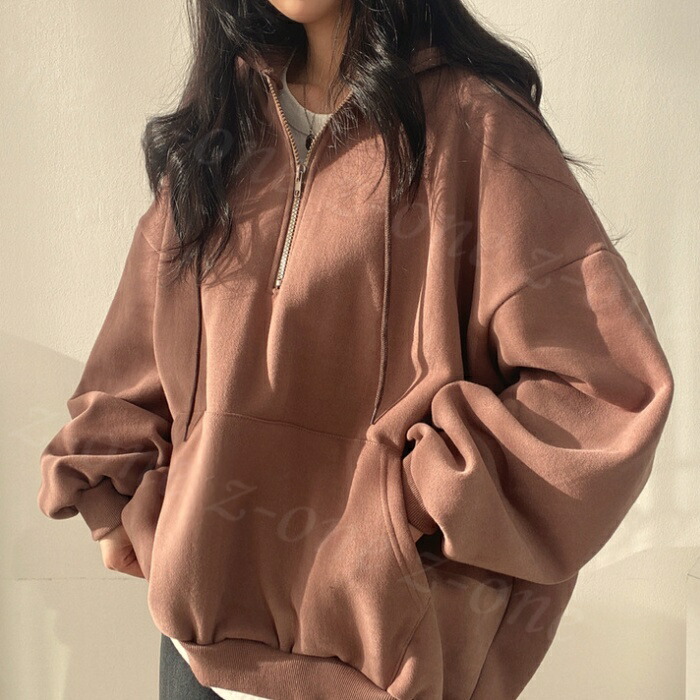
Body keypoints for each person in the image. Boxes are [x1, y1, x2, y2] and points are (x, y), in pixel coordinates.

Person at [36, 0, 675, 699]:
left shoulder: (476, 126)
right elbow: (134, 365)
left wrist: (399, 516)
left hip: (377, 674)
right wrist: (117, 507)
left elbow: (603, 394)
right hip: (195, 662)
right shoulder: (223, 124)